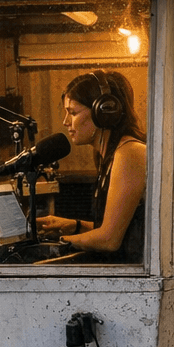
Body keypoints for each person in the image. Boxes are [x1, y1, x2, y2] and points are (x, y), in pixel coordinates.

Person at [36, 70, 146, 259]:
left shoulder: (129, 153)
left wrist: (58, 243)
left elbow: (109, 240)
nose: (65, 122)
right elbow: (122, 229)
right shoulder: (110, 155)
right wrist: (75, 225)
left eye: (73, 112)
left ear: (103, 111)